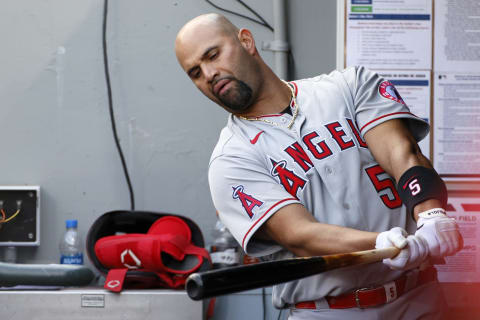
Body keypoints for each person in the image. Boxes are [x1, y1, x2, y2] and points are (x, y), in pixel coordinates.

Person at [175, 13, 463, 319]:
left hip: (418, 297)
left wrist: (430, 214)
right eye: (195, 72)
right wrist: (382, 243)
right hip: (328, 311)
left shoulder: (349, 87)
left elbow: (401, 153)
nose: (208, 73)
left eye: (212, 55)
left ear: (246, 41)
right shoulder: (230, 160)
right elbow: (299, 235)